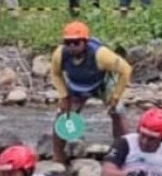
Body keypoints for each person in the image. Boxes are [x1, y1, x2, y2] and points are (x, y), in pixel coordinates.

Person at [50, 20, 132, 164]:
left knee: (118, 113)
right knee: (62, 115)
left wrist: (116, 96)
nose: (71, 46)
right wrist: (63, 96)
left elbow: (126, 70)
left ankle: (122, 152)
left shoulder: (101, 54)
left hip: (102, 84)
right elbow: (55, 74)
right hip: (76, 86)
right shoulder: (59, 54)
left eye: (76, 43)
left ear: (85, 42)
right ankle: (58, 156)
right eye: (67, 42)